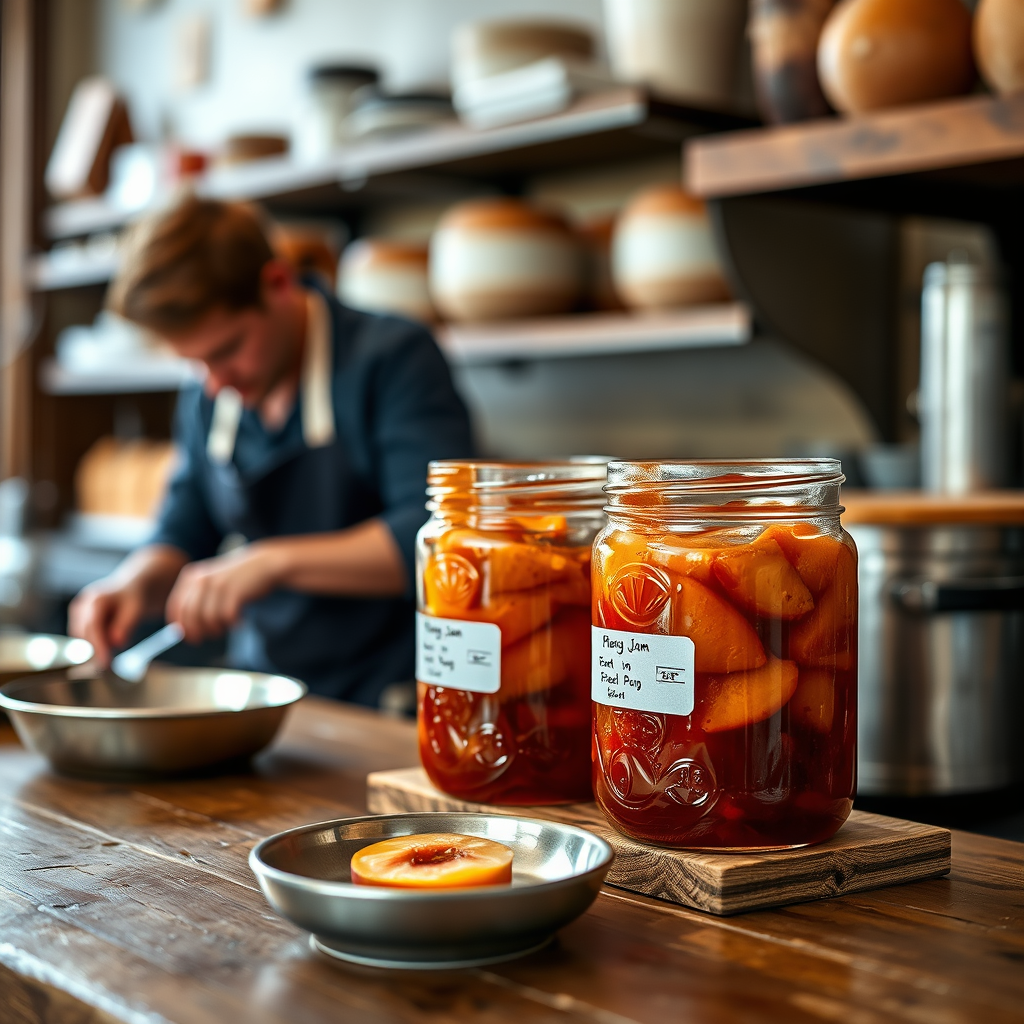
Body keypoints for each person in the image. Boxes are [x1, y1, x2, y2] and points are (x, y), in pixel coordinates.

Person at [69, 195, 473, 706]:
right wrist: (133, 582)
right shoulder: (210, 391)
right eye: (195, 362)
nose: (214, 383)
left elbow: (436, 536)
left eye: (227, 350)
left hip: (389, 693)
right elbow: (185, 524)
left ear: (277, 284)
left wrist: (270, 563)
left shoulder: (393, 359)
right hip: (264, 690)